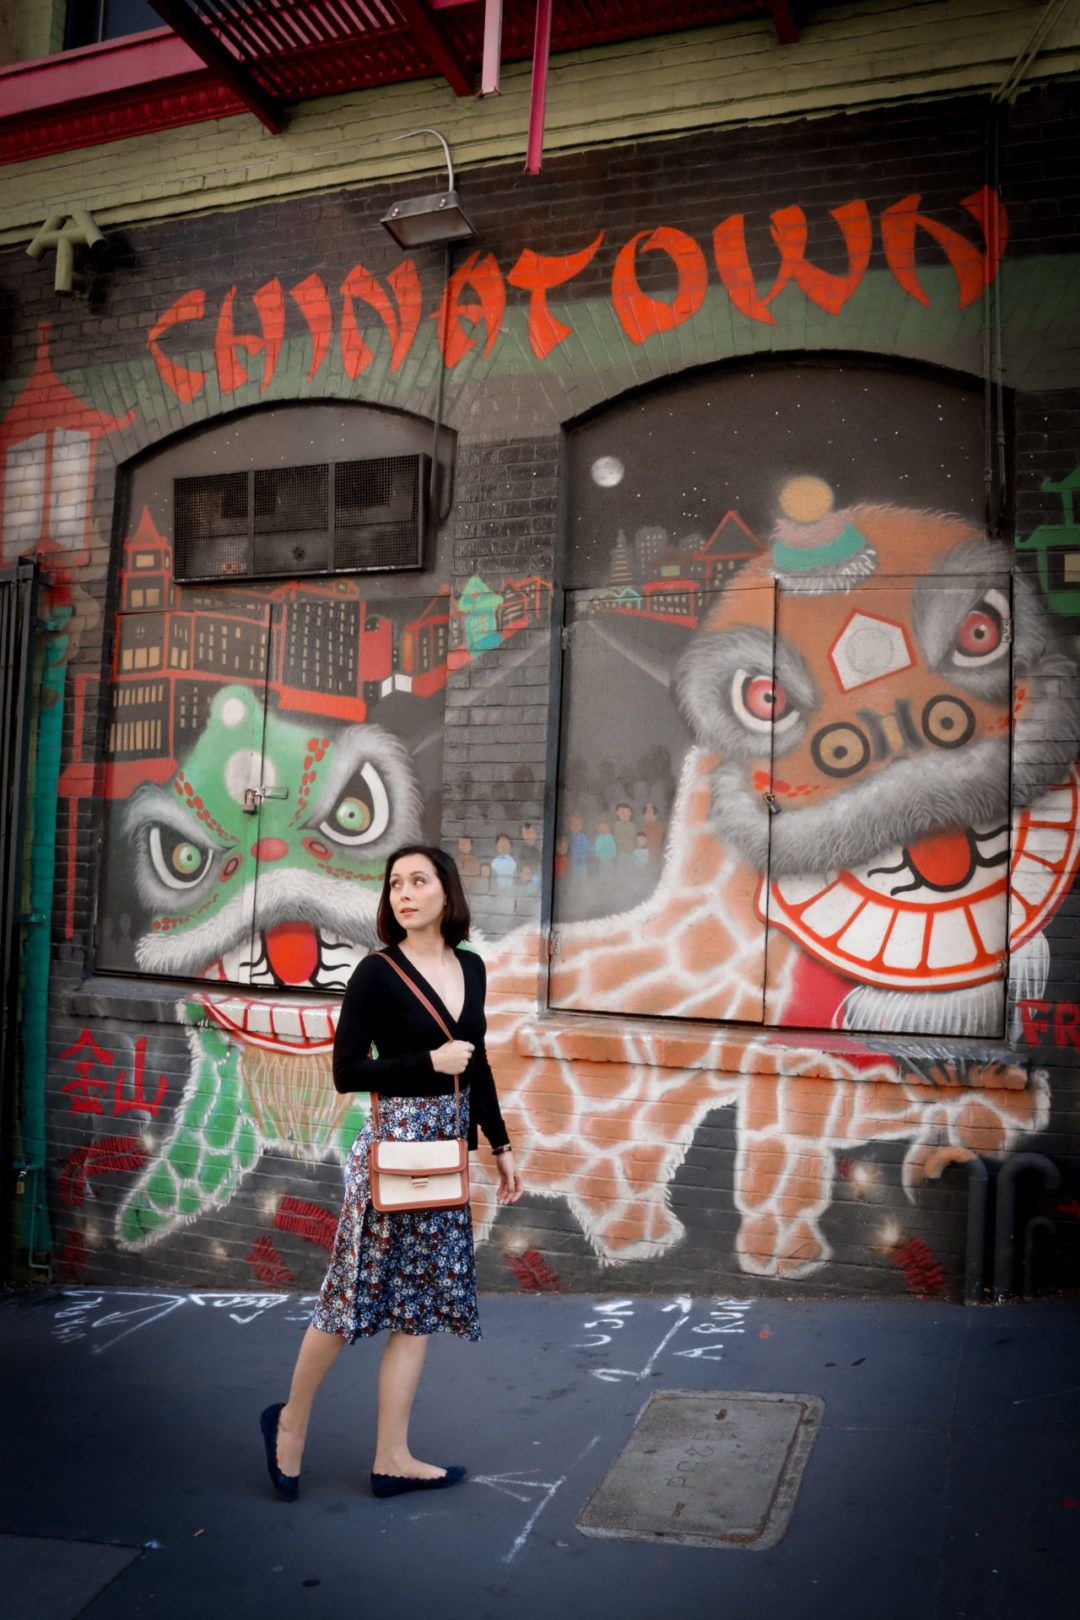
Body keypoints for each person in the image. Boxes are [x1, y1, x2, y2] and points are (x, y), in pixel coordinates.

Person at [260, 845, 523, 1502]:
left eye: (419, 881)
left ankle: (392, 1458)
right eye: (395, 884)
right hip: (392, 1152)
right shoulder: (377, 974)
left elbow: (477, 1061)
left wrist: (499, 1141)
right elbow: (347, 1072)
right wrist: (427, 1063)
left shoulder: (472, 968)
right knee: (348, 1298)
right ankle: (289, 1422)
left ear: (446, 892)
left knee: (418, 1307)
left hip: (445, 1157)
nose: (404, 893)